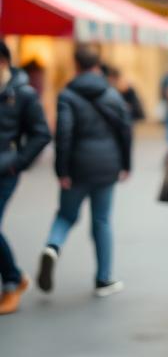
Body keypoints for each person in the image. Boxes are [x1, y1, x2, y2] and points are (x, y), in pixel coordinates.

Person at [37, 45, 133, 298]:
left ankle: (52, 247)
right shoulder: (112, 95)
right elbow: (125, 131)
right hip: (107, 167)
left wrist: (62, 171)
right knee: (101, 221)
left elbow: (63, 135)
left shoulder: (67, 95)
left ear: (76, 65)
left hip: (78, 167)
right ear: (97, 65)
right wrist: (126, 165)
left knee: (66, 216)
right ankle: (104, 279)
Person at [0, 38, 51, 315]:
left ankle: (12, 280)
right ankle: (14, 278)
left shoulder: (23, 94)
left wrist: (16, 163)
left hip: (5, 171)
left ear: (4, 62)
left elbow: (42, 134)